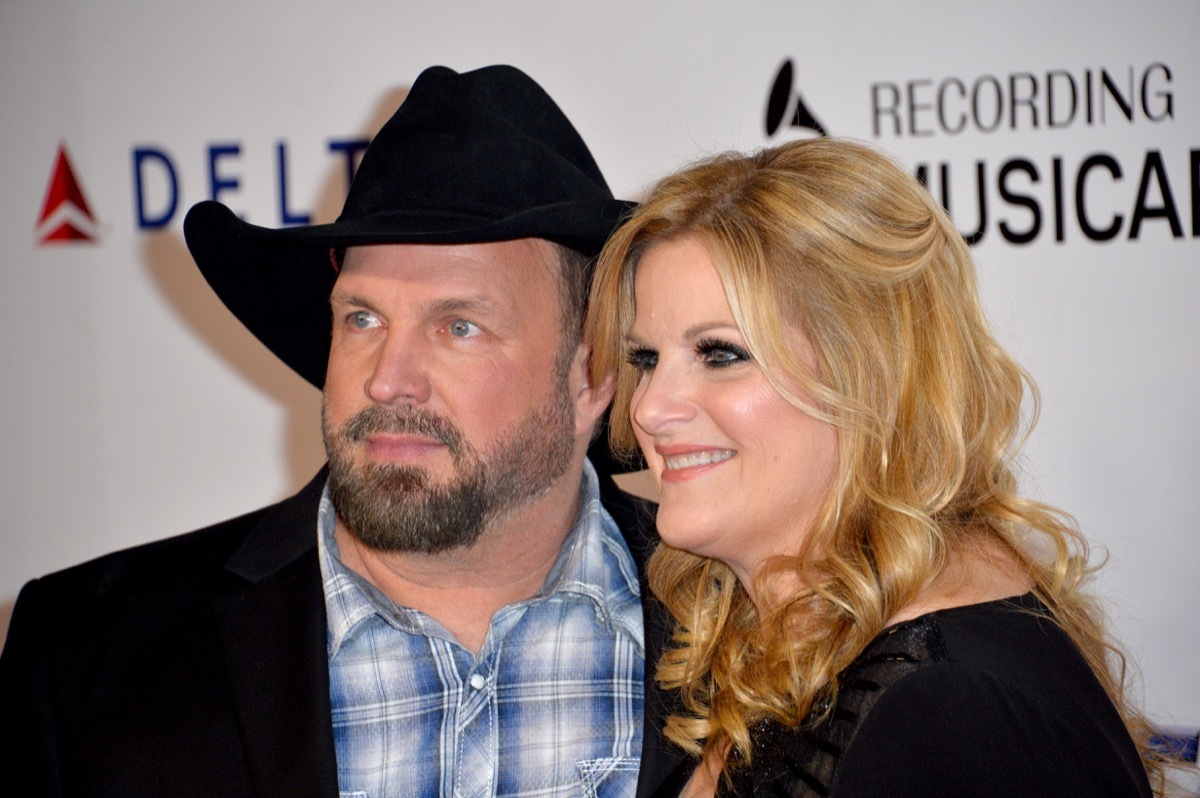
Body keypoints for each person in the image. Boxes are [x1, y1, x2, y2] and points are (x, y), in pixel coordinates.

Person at [0, 64, 685, 797]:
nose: (388, 380)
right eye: (362, 318)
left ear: (592, 376)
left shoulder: (753, 622)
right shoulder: (87, 660)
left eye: (459, 326)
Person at [585, 137, 1164, 796]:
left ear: (871, 378)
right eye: (646, 359)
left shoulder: (943, 709)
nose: (650, 408)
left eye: (720, 354)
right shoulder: (802, 648)